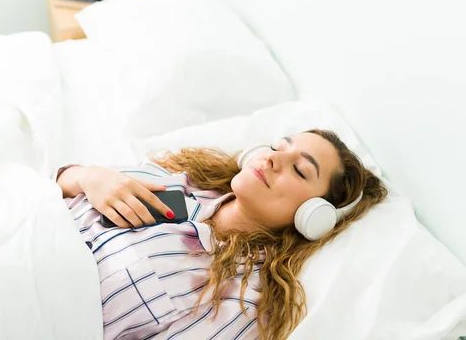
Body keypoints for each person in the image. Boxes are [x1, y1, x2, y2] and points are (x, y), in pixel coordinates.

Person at [56, 129, 387, 340]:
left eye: (300, 170)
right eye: (277, 147)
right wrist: (86, 176)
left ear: (313, 216)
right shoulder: (181, 182)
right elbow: (51, 188)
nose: (272, 158)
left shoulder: (239, 300)